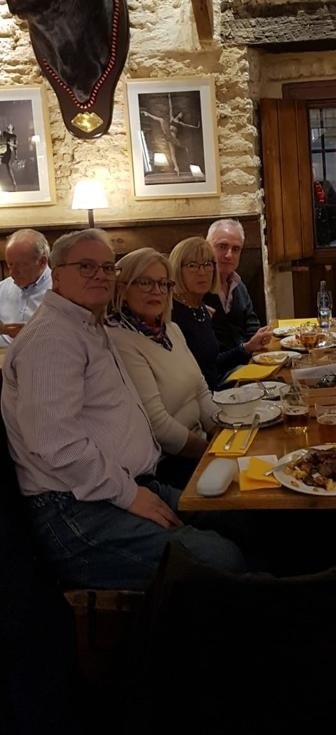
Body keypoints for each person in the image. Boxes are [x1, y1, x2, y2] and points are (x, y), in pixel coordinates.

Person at [1, 228, 245, 590]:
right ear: (56, 271)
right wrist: (131, 496)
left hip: (125, 485)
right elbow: (59, 446)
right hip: (75, 507)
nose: (99, 274)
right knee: (217, 558)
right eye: (86, 266)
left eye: (106, 267)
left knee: (239, 518)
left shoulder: (87, 324)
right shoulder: (51, 340)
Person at [106, 247, 217, 488]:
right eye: (144, 283)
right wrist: (212, 452)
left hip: (202, 445)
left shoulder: (171, 331)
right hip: (170, 464)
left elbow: (202, 393)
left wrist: (226, 435)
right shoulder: (119, 340)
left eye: (163, 284)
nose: (156, 291)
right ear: (122, 288)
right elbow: (158, 427)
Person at [170, 236, 271, 390]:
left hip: (216, 389)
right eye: (192, 265)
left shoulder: (200, 309)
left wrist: (247, 348)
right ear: (177, 269)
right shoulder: (173, 315)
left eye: (207, 264)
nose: (202, 272)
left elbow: (212, 362)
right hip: (204, 398)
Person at [204, 219, 271, 352]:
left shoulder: (238, 284)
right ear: (206, 247)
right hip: (220, 369)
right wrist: (246, 349)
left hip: (246, 360)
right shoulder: (198, 288)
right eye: (222, 246)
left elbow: (252, 325)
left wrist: (261, 338)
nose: (229, 255)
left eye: (235, 249)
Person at [0, 228, 51, 347]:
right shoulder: (2, 289)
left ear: (42, 261)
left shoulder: (64, 292)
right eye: (10, 265)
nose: (12, 272)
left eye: (21, 265)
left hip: (44, 358)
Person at [0, 122, 17, 190]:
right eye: (8, 125)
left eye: (11, 125)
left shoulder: (14, 136)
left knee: (9, 168)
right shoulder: (5, 133)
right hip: (2, 150)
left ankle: (14, 182)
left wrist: (16, 156)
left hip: (8, 152)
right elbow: (1, 136)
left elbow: (16, 146)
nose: (9, 125)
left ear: (12, 128)